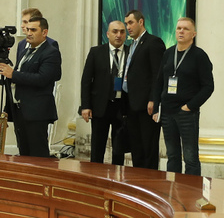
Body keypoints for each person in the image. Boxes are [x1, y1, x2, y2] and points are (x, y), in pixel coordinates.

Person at [150, 17, 213, 176]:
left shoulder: (199, 56)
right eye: (179, 28)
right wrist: (157, 105)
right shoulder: (168, 53)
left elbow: (208, 86)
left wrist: (189, 106)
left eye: (185, 29)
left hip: (186, 113)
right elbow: (159, 81)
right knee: (172, 156)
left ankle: (191, 189)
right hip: (167, 112)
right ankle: (173, 188)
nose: (181, 31)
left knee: (190, 157)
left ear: (193, 34)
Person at [0, 15, 61, 157]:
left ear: (44, 32)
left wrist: (13, 74)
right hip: (20, 109)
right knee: (24, 152)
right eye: (27, 29)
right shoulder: (26, 50)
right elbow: (19, 76)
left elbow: (42, 79)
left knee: (38, 154)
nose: (29, 33)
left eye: (33, 30)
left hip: (37, 111)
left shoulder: (51, 52)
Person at [80, 21, 129, 164]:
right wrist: (85, 106)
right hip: (101, 105)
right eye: (115, 31)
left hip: (122, 106)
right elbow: (86, 81)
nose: (118, 35)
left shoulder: (131, 52)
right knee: (97, 146)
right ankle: (95, 174)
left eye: (122, 32)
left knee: (119, 147)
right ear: (108, 34)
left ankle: (117, 174)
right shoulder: (96, 52)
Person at [123, 9, 166, 170]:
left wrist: (153, 99)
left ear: (141, 22)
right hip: (132, 103)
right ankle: (138, 178)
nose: (128, 27)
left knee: (148, 146)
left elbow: (158, 75)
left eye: (131, 23)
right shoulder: (132, 45)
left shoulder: (153, 42)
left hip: (147, 105)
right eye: (126, 24)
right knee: (136, 146)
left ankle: (150, 179)